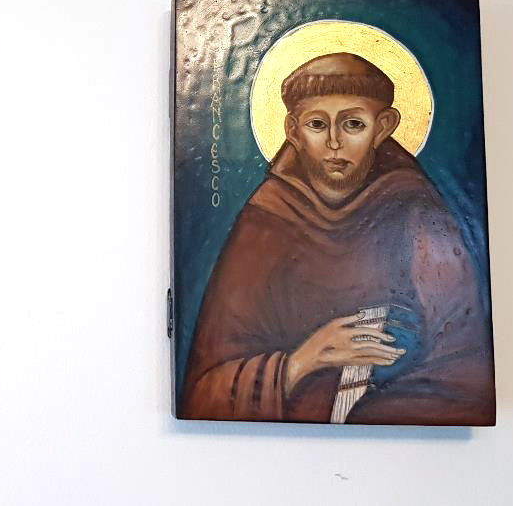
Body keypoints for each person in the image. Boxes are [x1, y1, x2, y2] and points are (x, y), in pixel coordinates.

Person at [181, 52, 495, 425]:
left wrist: (363, 410)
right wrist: (303, 362)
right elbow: (204, 392)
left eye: (353, 124)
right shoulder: (264, 223)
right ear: (293, 131)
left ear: (383, 127)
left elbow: (464, 375)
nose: (334, 142)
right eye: (317, 124)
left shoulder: (420, 217)